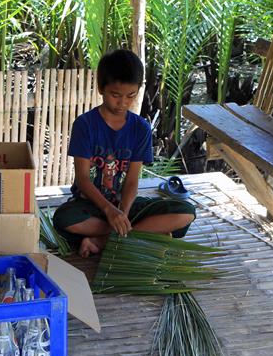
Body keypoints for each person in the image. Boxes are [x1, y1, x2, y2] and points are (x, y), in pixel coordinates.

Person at [52, 49, 196, 257]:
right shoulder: (85, 125)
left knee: (186, 212)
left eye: (131, 96)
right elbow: (83, 180)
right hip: (91, 205)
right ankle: (144, 233)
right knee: (64, 219)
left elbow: (131, 182)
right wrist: (110, 211)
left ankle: (103, 241)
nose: (123, 103)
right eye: (115, 95)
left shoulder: (140, 128)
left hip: (127, 206)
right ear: (101, 89)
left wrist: (123, 213)